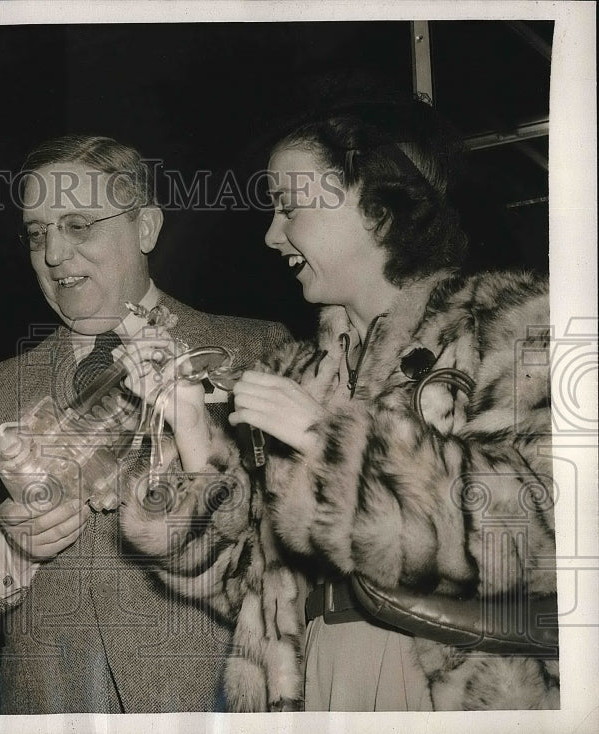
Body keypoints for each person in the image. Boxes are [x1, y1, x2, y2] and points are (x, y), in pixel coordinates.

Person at [119, 97, 558, 711]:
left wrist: (326, 436)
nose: (272, 235)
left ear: (375, 206)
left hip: (446, 682)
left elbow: (537, 537)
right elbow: (244, 583)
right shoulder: (295, 371)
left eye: (288, 207)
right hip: (313, 680)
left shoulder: (510, 322)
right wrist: (190, 421)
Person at [0, 135, 291, 713]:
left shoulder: (254, 349)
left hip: (205, 703)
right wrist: (12, 550)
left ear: (146, 228)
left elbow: (285, 553)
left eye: (78, 225)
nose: (53, 253)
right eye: (37, 233)